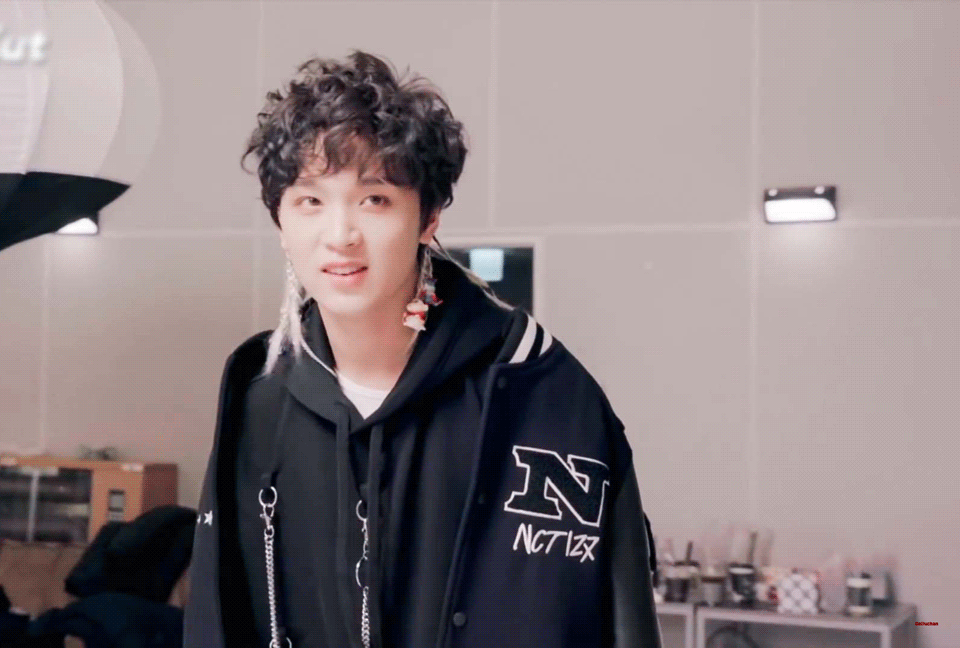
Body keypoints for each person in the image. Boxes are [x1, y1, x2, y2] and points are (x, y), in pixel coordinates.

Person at [183, 49, 663, 648]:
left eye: (374, 199)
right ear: (281, 222)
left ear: (428, 217)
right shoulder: (260, 396)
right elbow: (218, 616)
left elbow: (614, 617)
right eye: (311, 201)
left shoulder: (543, 393)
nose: (340, 235)